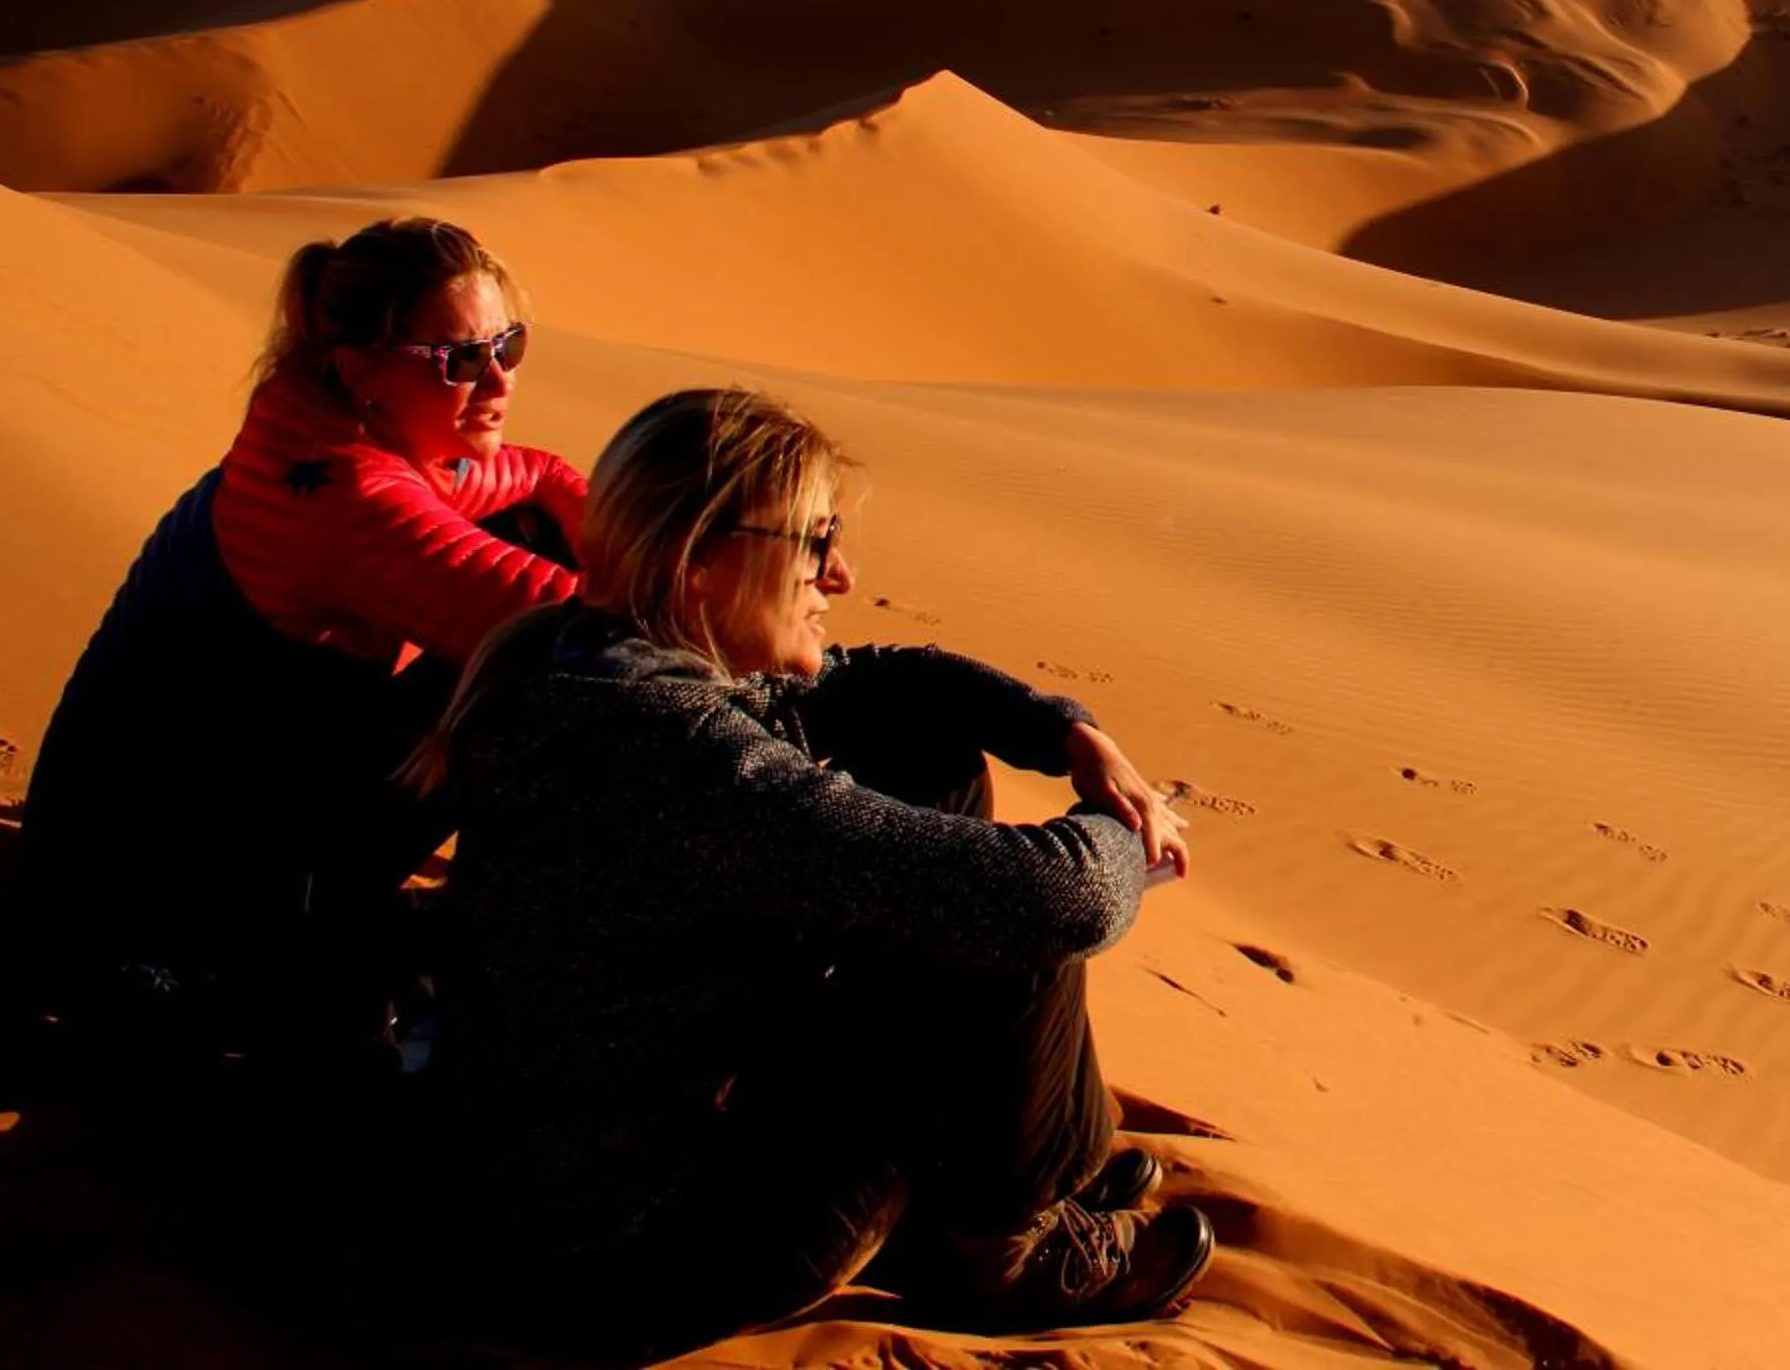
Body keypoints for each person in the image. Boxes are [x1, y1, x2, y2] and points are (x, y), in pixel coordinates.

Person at [409, 387, 1211, 1346]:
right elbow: (1054, 902)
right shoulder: (679, 754)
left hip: (551, 1164)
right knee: (1000, 911)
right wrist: (1123, 825)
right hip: (648, 1242)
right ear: (701, 558)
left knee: (927, 762)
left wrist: (1068, 731)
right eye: (814, 542)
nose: (840, 574)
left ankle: (1013, 1164)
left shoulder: (578, 651)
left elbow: (883, 680)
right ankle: (1000, 1246)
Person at [20, 216, 584, 1077]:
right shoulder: (343, 491)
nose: (499, 379)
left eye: (510, 345)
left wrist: (595, 519)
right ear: (360, 370)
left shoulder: (339, 427)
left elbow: (530, 476)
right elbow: (569, 619)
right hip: (147, 897)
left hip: (229, 800)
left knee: (535, 545)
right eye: (462, 360)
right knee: (551, 663)